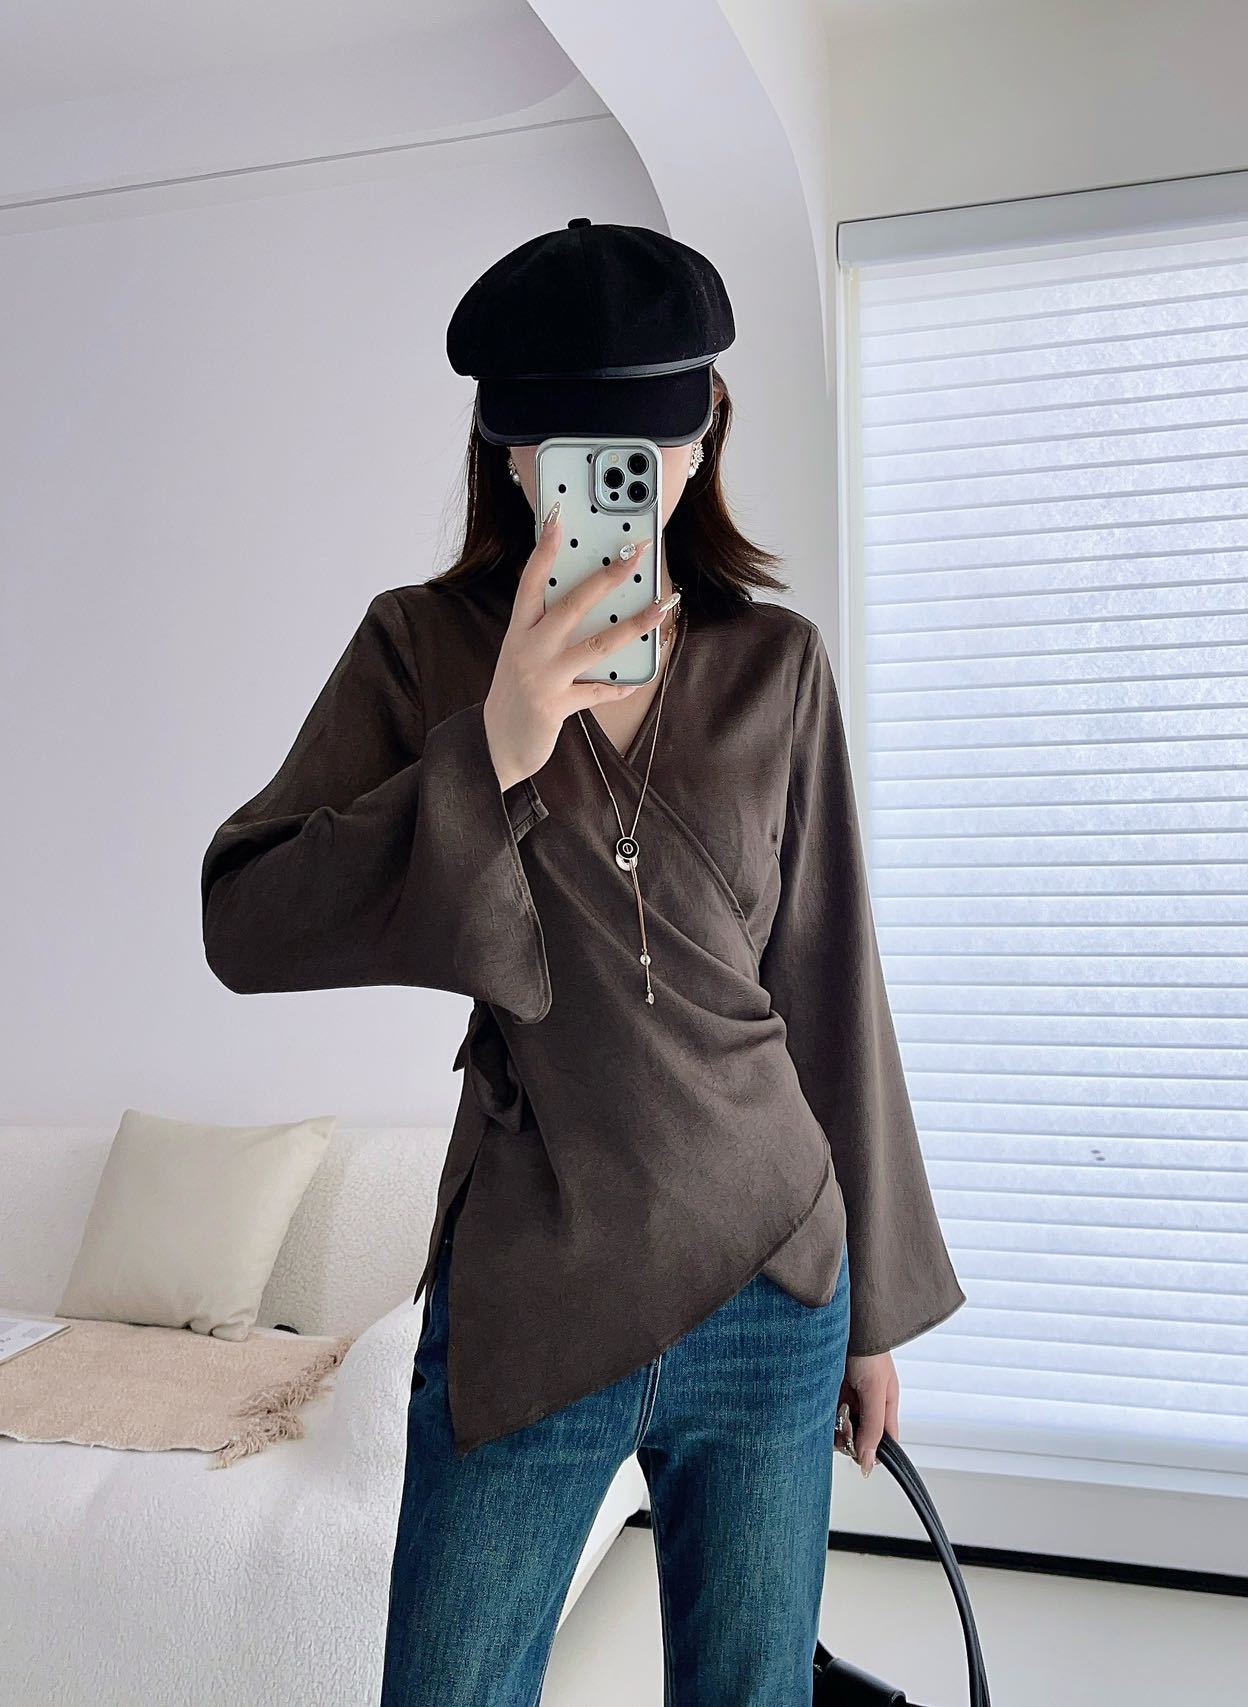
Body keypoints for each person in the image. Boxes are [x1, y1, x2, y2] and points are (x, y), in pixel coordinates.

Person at [199, 218, 966, 1707]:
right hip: (536, 1283)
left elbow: (831, 989)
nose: (620, 476)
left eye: (648, 440)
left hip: (772, 1280)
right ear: (508, 457)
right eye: (571, 449)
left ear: (704, 431)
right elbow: (248, 917)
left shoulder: (776, 666)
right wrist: (491, 746)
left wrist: (870, 1313)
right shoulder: (419, 652)